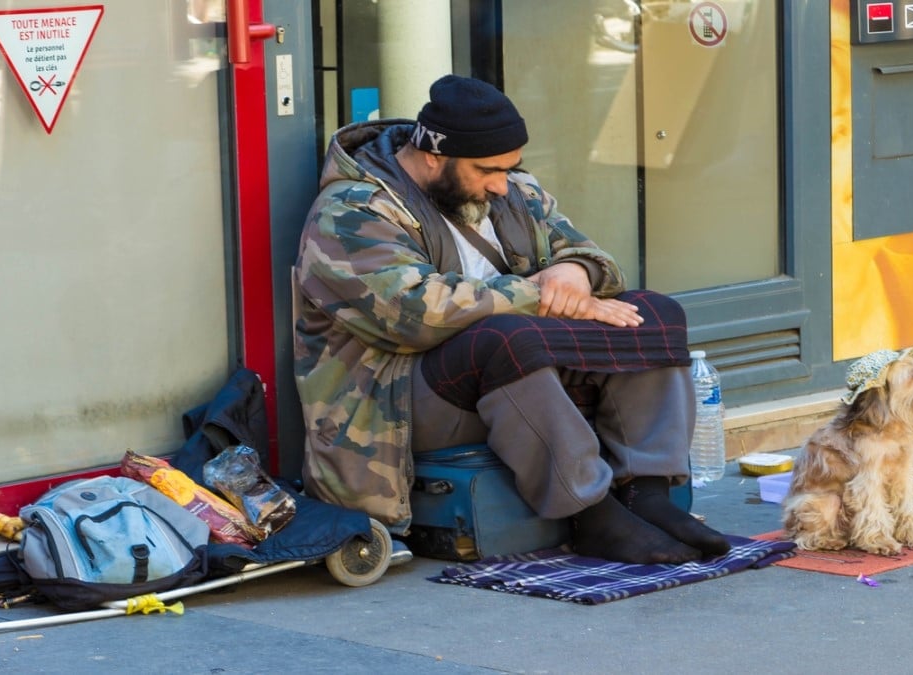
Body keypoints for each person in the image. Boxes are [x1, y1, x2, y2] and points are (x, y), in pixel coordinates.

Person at [293, 75, 729, 564]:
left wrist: (575, 270)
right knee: (504, 338)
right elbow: (411, 314)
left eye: (510, 168)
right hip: (395, 402)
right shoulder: (351, 211)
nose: (501, 184)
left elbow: (591, 256)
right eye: (488, 171)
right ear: (434, 156)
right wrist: (541, 294)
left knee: (652, 314)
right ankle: (591, 514)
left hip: (509, 378)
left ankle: (648, 495)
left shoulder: (514, 192)